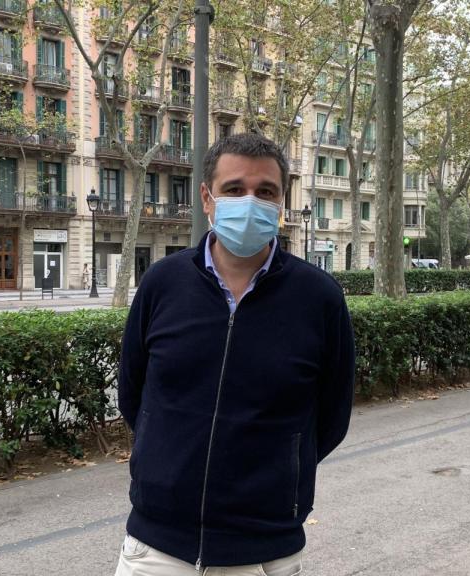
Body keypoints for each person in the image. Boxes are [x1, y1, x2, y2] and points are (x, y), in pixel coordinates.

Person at [116, 133, 355, 575]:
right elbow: (133, 395)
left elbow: (332, 416)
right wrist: (165, 463)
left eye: (265, 191)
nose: (250, 201)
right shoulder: (161, 284)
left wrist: (281, 472)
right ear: (207, 199)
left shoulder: (319, 297)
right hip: (156, 548)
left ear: (282, 202)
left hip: (266, 551)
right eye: (234, 189)